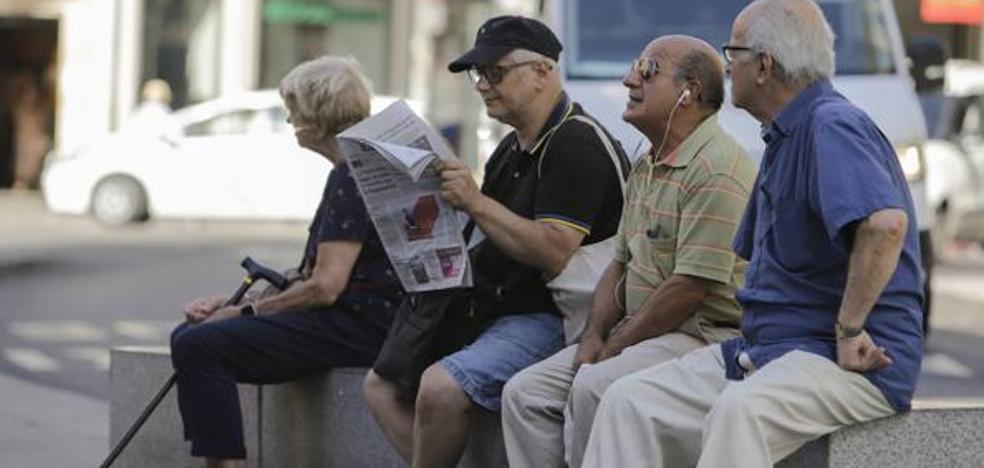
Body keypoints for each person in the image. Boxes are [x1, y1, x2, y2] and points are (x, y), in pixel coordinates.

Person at [582, 1, 925, 467]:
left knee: (739, 411)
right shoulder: (784, 135)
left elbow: (885, 225)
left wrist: (849, 328)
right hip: (769, 349)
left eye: (733, 53)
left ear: (763, 65)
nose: (727, 67)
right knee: (628, 401)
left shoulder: (831, 124)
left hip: (848, 363)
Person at [362, 15, 629, 468]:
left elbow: (553, 250)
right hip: (493, 302)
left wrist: (472, 201)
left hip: (558, 315)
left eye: (496, 72)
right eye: (478, 74)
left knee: (441, 387)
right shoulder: (511, 147)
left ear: (543, 71)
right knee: (380, 385)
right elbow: (491, 235)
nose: (483, 84)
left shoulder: (575, 144)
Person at [500, 34, 756, 468]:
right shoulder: (648, 161)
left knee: (594, 384)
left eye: (647, 69)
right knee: (524, 394)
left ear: (688, 91)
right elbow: (619, 264)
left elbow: (688, 290)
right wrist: (594, 336)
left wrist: (615, 345)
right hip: (645, 330)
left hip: (700, 335)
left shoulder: (718, 169)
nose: (628, 79)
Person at [169, 56, 404, 468]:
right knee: (192, 334)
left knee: (197, 344)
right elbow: (311, 276)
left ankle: (225, 465)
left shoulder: (351, 175)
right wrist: (229, 305)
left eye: (292, 109)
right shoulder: (368, 164)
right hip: (371, 320)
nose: (289, 117)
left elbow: (326, 286)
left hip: (361, 327)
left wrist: (244, 310)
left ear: (314, 121)